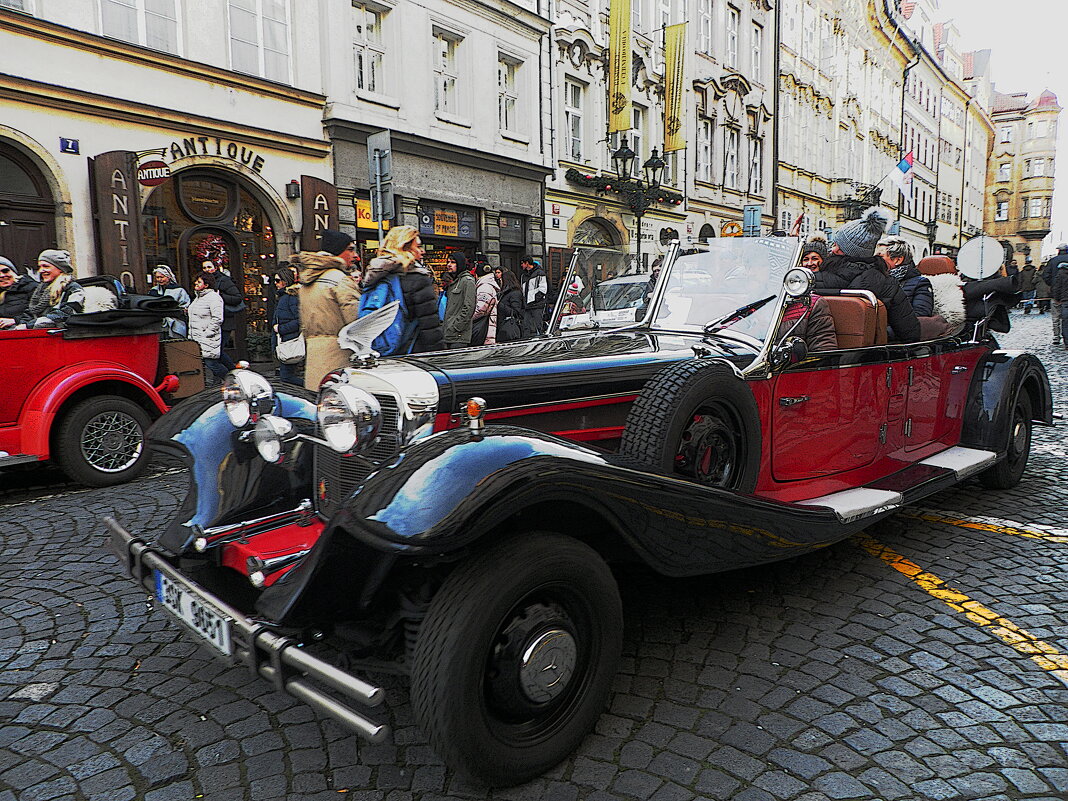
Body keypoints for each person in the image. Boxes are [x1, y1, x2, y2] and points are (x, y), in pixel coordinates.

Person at [816, 208, 921, 343]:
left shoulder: (815, 278)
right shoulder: (888, 283)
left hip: (817, 353)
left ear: (850, 250)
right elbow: (910, 333)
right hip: (867, 356)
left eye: (838, 245)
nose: (833, 249)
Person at [361, 225, 444, 356]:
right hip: (412, 353)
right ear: (404, 248)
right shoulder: (417, 279)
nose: (422, 251)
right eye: (418, 246)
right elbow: (429, 326)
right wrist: (439, 357)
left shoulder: (375, 277)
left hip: (378, 351)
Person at [295, 245, 363, 390]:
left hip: (314, 351)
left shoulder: (308, 280)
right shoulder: (339, 280)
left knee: (317, 399)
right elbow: (356, 322)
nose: (355, 255)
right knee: (339, 402)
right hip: (339, 351)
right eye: (350, 250)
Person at [3, 250, 85, 329]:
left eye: (46, 266)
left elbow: (67, 313)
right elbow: (31, 313)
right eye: (40, 267)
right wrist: (18, 324)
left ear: (60, 268)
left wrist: (29, 325)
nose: (41, 270)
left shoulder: (73, 288)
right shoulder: (41, 289)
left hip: (62, 336)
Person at [199, 260, 241, 369]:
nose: (207, 270)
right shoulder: (202, 283)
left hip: (224, 321)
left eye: (209, 267)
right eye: (204, 268)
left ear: (215, 268)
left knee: (218, 351)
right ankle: (227, 375)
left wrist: (220, 296)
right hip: (210, 323)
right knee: (214, 352)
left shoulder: (224, 281)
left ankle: (232, 373)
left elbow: (237, 298)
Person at [878, 238, 933, 317]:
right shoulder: (872, 279)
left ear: (898, 260)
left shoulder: (920, 284)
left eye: (880, 257)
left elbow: (920, 317)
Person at [188, 271, 226, 384]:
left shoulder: (213, 298)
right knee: (207, 361)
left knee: (211, 363)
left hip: (207, 337)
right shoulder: (198, 298)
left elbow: (217, 318)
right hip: (196, 336)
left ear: (206, 284)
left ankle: (232, 380)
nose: (196, 283)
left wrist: (208, 332)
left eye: (199, 282)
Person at [272, 264, 302, 386]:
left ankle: (311, 388)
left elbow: (299, 320)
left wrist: (281, 329)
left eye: (278, 280)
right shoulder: (282, 297)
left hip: (290, 340)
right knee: (287, 376)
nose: (276, 283)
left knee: (286, 377)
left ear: (285, 281)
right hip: (285, 340)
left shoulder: (291, 297)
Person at [442, 252, 477, 348]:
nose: (449, 265)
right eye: (448, 262)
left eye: (453, 262)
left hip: (458, 336)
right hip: (448, 334)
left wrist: (456, 326)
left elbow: (469, 307)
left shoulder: (467, 281)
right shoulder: (454, 282)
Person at [148, 265, 191, 337]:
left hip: (176, 322)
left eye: (162, 277)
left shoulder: (179, 290)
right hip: (158, 323)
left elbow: (185, 306)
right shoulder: (153, 291)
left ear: (168, 277)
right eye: (157, 277)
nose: (159, 280)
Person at [1042, 243, 1068, 345]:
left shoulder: (1052, 261)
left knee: (1056, 316)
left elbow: (1046, 275)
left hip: (1056, 293)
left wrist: (1052, 285)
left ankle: (1056, 336)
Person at [0, 256, 38, 323]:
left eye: (5, 271)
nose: (2, 275)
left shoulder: (32, 287)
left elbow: (37, 314)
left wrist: (15, 321)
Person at [519, 255, 548, 337]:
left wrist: (535, 299)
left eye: (522, 263)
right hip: (528, 304)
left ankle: (540, 339)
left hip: (537, 304)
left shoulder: (540, 273)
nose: (521, 265)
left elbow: (543, 289)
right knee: (526, 326)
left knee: (538, 325)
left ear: (527, 263)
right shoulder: (523, 275)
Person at [473, 263, 500, 345]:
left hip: (485, 328)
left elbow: (481, 309)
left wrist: (468, 318)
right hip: (487, 326)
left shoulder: (484, 287)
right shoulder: (488, 285)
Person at [495, 269, 524, 343]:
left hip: (508, 326)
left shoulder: (515, 293)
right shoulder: (504, 293)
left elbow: (516, 312)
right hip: (502, 325)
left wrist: (499, 304)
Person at [1052, 258, 1068, 350]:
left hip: (1065, 300)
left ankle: (1067, 343)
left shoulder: (1060, 274)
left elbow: (1057, 287)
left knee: (1065, 321)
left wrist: (1057, 298)